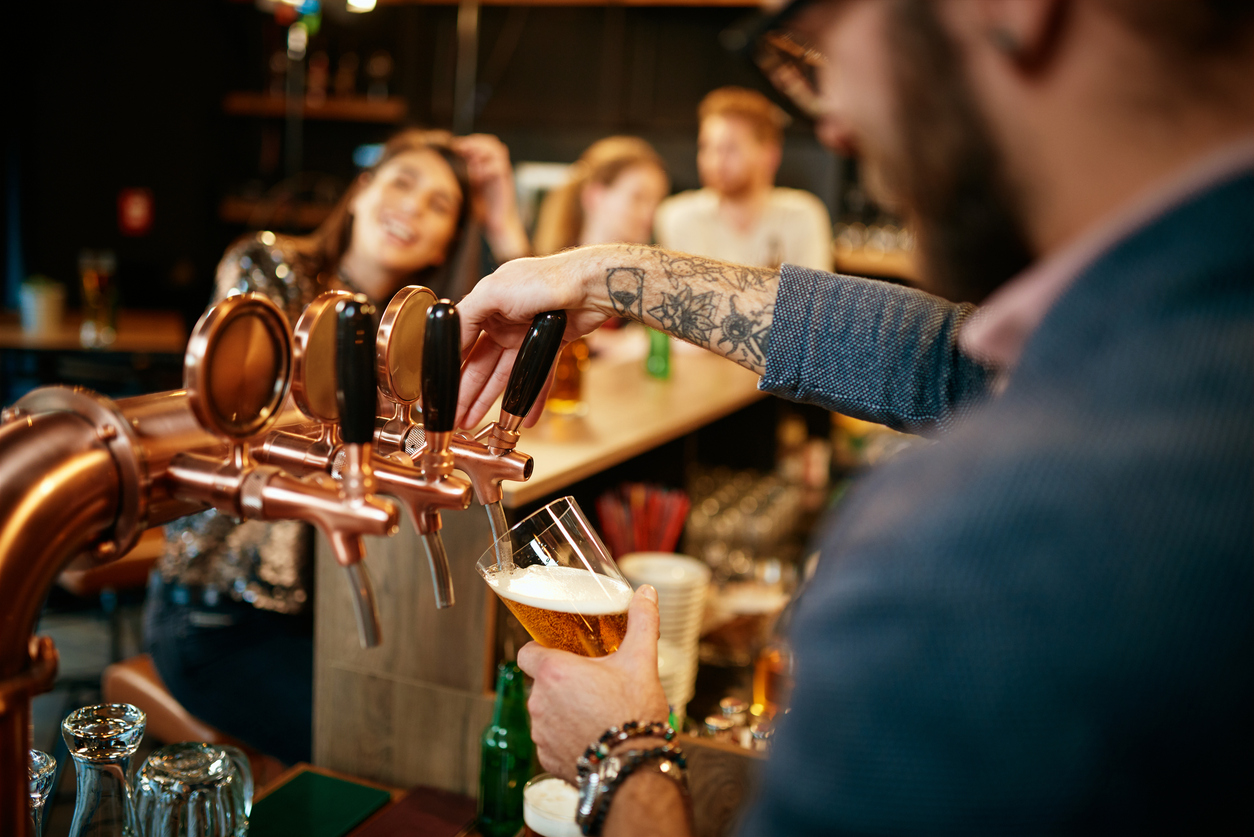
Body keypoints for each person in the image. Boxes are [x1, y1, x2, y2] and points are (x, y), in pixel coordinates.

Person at [454, 1, 1254, 835]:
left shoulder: (988, 541)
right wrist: (606, 275)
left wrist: (621, 756)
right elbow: (951, 362)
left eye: (818, 37)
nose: (830, 121)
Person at [145, 128, 530, 765]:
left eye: (440, 206)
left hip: (329, 614)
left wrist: (506, 220)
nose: (412, 208)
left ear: (448, 240)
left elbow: (540, 355)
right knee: (384, 749)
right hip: (218, 616)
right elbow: (256, 407)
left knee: (437, 724)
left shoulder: (413, 327)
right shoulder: (268, 268)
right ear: (361, 190)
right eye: (401, 182)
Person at [653, 85, 832, 271]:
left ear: (770, 156)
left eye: (730, 149)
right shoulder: (678, 217)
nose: (715, 161)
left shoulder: (801, 216)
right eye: (706, 147)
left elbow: (812, 298)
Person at [532, 136, 670, 256]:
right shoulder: (548, 272)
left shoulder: (657, 280)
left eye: (657, 201)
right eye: (638, 197)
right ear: (594, 195)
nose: (651, 213)